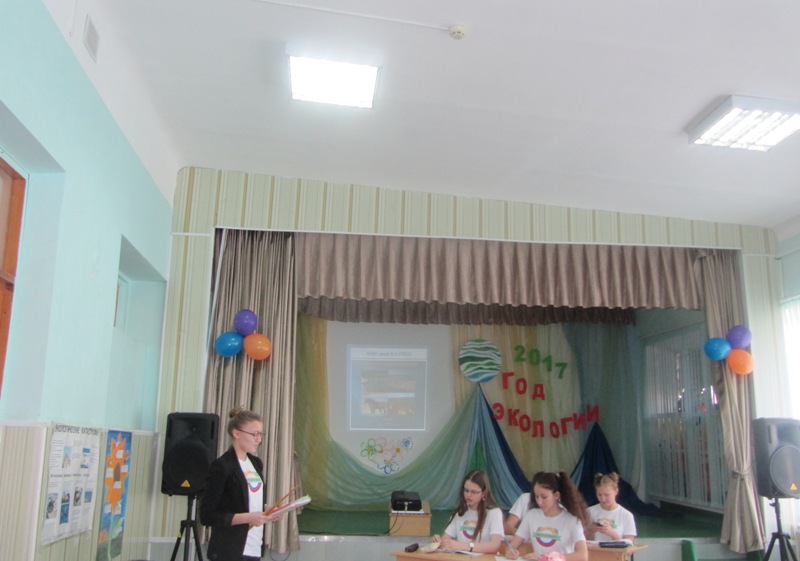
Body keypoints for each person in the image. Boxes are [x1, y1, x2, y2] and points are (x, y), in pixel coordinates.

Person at [200, 406, 283, 561]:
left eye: (261, 434)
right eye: (254, 434)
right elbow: (207, 515)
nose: (259, 440)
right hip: (229, 550)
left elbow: (247, 502)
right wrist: (248, 518)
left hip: (254, 548)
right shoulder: (222, 466)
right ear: (236, 433)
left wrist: (267, 510)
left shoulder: (256, 463)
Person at [506, 471, 590, 561]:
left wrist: (547, 557)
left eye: (544, 497)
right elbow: (512, 546)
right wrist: (510, 552)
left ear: (556, 495)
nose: (539, 502)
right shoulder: (531, 516)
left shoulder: (572, 520)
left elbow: (582, 555)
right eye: (537, 496)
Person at [432, 469, 504, 554]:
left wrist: (461, 546)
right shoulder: (461, 512)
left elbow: (494, 546)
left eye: (474, 492)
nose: (468, 495)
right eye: (466, 490)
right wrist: (439, 542)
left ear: (483, 493)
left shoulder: (494, 513)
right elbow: (446, 539)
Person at [587, 472, 637, 542]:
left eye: (606, 495)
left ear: (616, 491)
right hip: (594, 549)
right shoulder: (589, 512)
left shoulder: (626, 515)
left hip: (615, 549)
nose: (603, 499)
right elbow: (581, 542)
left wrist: (612, 533)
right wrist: (591, 531)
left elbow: (629, 546)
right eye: (599, 495)